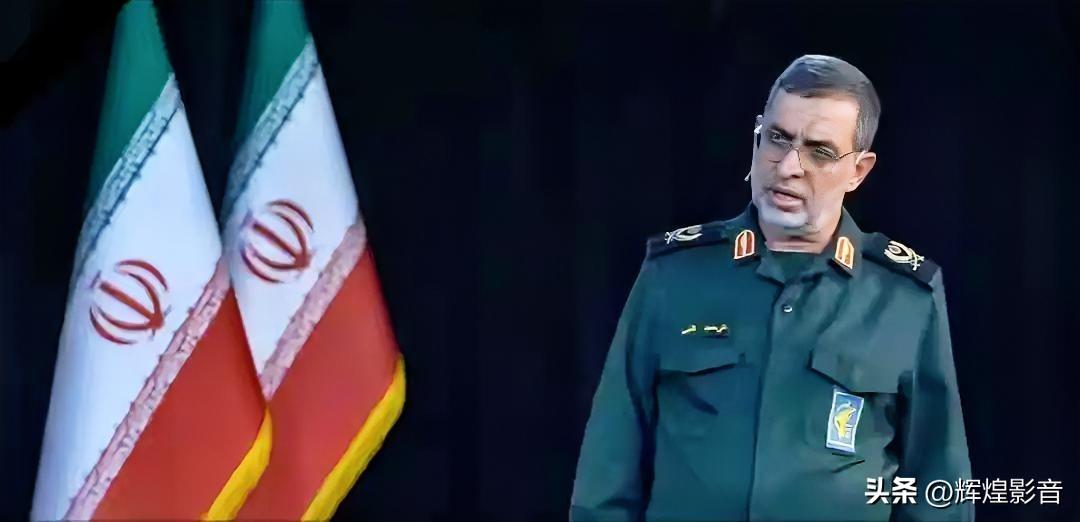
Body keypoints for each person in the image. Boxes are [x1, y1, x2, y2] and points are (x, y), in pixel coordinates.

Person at [570, 55, 973, 521]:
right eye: (778, 138)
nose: (788, 168)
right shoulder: (676, 275)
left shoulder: (904, 298)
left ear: (859, 171)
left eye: (820, 151)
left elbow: (939, 490)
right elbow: (610, 463)